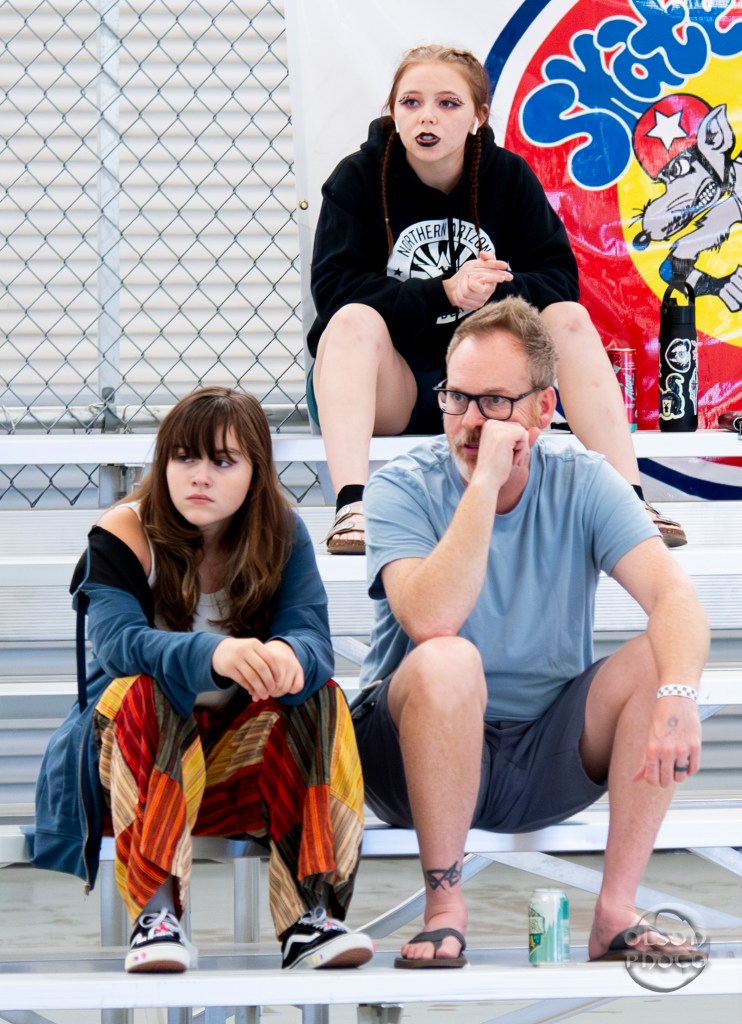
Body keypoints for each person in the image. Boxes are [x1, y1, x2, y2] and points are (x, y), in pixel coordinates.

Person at [351, 297, 708, 968]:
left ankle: (616, 911)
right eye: (456, 398)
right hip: (410, 753)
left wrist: (678, 694)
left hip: (543, 754)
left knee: (658, 658)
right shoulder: (402, 486)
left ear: (544, 410)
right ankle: (444, 908)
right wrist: (484, 484)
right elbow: (430, 620)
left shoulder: (583, 480)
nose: (469, 421)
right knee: (449, 659)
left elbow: (676, 598)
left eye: (494, 402)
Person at [32, 387, 374, 974]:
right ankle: (156, 917)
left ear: (255, 472)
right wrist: (216, 654)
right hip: (127, 777)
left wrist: (290, 656)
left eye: (222, 461)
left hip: (228, 777)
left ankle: (309, 918)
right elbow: (118, 646)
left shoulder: (280, 533)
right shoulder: (124, 532)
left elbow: (313, 639)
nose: (199, 476)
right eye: (184, 457)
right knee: (143, 689)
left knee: (319, 695)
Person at [307, 44, 686, 553]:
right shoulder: (356, 178)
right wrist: (443, 292)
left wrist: (491, 293)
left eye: (448, 103)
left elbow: (559, 278)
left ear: (478, 117)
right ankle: (352, 506)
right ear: (393, 111)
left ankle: (629, 499)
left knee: (569, 317)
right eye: (411, 102)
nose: (427, 117)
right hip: (391, 390)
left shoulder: (507, 176)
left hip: (487, 390)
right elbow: (334, 291)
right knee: (352, 319)